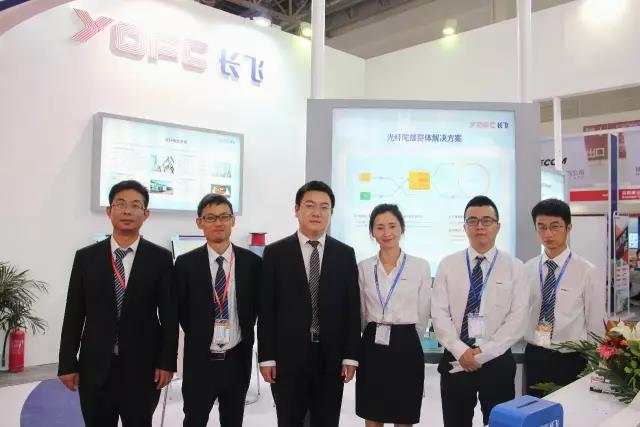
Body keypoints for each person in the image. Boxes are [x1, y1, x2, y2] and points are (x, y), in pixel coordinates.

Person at [58, 180, 177, 427]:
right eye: (120, 204)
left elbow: (169, 316)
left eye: (135, 205)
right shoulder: (86, 258)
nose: (127, 211)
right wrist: (67, 362)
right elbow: (74, 313)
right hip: (95, 367)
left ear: (146, 214)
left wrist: (167, 361)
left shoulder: (161, 259)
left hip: (143, 369)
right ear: (109, 211)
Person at [258, 180, 361, 427]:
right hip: (288, 357)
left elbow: (351, 309)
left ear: (331, 213)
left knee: (327, 420)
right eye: (310, 205)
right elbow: (267, 310)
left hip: (331, 356)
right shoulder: (275, 253)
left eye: (324, 207)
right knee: (289, 419)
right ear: (297, 210)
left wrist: (350, 356)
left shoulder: (345, 254)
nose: (317, 212)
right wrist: (267, 357)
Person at [431, 195, 528, 427]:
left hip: (497, 362)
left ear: (498, 226)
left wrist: (484, 351)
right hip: (456, 360)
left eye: (487, 220)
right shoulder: (448, 264)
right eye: (473, 221)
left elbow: (517, 318)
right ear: (465, 227)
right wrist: (461, 351)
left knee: (499, 424)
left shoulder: (515, 267)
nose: (480, 226)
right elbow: (439, 314)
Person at [176, 194, 262, 426]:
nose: (218, 223)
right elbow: (181, 311)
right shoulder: (185, 264)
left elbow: (256, 308)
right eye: (210, 217)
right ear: (199, 222)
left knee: (233, 420)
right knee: (194, 419)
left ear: (233, 220)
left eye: (224, 216)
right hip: (200, 361)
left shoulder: (252, 264)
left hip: (236, 359)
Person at [356, 204, 431, 427]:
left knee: (404, 411)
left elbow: (423, 311)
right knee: (372, 411)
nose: (386, 233)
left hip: (406, 343)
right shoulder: (363, 267)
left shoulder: (419, 266)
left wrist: (408, 336)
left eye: (392, 226)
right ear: (372, 232)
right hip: (372, 343)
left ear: (402, 229)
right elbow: (361, 311)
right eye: (379, 227)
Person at [524, 198, 606, 396]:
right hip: (535, 355)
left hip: (572, 358)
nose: (548, 234)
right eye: (541, 227)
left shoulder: (587, 271)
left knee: (569, 410)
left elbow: (595, 323)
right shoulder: (527, 269)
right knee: (534, 409)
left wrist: (596, 364)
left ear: (568, 228)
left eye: (555, 226)